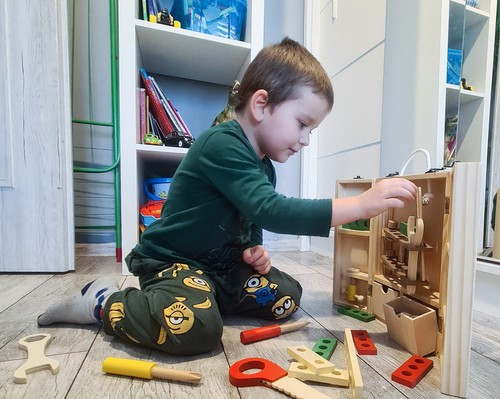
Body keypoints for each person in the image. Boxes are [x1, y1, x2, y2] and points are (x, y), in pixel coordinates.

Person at [38, 38, 416, 355]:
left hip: (219, 269)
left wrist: (254, 250)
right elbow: (269, 209)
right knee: (196, 330)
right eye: (302, 124)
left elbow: (251, 220)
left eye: (311, 131)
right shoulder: (222, 144)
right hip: (174, 262)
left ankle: (204, 297)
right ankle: (104, 302)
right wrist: (360, 205)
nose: (305, 140)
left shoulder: (264, 165)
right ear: (261, 105)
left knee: (287, 295)